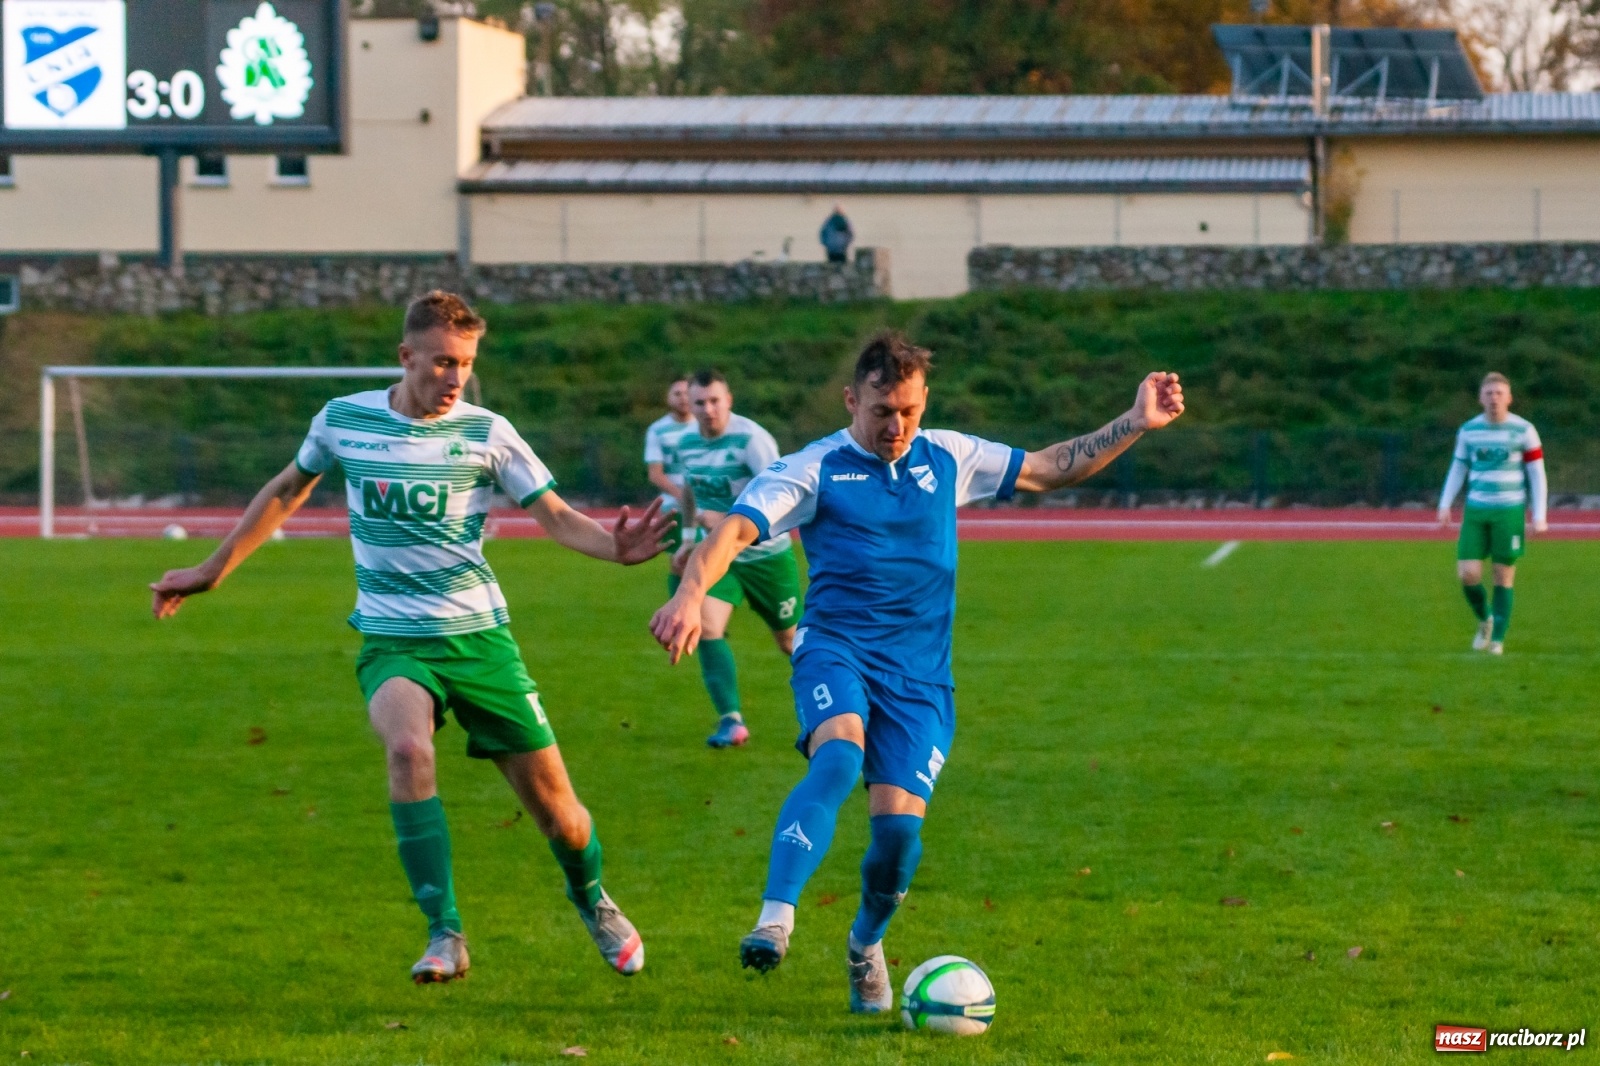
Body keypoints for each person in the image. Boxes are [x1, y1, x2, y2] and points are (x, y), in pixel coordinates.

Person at [650, 333, 1184, 1013]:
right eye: (881, 412)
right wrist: (692, 594)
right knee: (839, 759)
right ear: (852, 400)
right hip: (837, 647)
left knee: (898, 838)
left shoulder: (948, 456)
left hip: (920, 677)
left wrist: (1135, 421)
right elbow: (732, 532)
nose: (895, 426)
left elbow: (1051, 468)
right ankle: (774, 919)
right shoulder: (814, 468)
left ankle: (863, 946)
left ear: (922, 400)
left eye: (907, 410)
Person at [149, 291, 671, 985]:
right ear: (406, 357)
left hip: (480, 641)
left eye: (466, 365)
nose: (455, 379)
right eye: (443, 363)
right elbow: (286, 489)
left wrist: (614, 548)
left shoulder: (487, 432)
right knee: (406, 748)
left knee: (562, 819)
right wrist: (212, 569)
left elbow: (553, 514)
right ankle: (445, 933)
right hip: (393, 641)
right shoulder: (345, 420)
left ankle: (591, 897)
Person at [671, 368, 804, 749]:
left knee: (791, 641)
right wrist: (685, 539)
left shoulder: (753, 440)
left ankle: (840, 710)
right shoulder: (686, 443)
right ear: (689, 405)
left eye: (715, 401)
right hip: (716, 555)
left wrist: (731, 520)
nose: (708, 409)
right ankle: (731, 719)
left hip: (765, 555)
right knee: (708, 626)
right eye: (700, 402)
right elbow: (690, 492)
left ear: (728, 400)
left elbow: (782, 497)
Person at [1437, 371, 1548, 655]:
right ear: (1480, 398)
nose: (1494, 399)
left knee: (1503, 574)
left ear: (1509, 398)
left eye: (1499, 393)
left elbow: (1536, 473)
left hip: (1509, 511)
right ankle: (1485, 619)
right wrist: (1445, 502)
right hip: (1476, 510)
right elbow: (1459, 467)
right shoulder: (1469, 431)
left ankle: (1497, 639)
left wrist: (1539, 514)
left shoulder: (1524, 430)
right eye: (1489, 393)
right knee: (1467, 574)